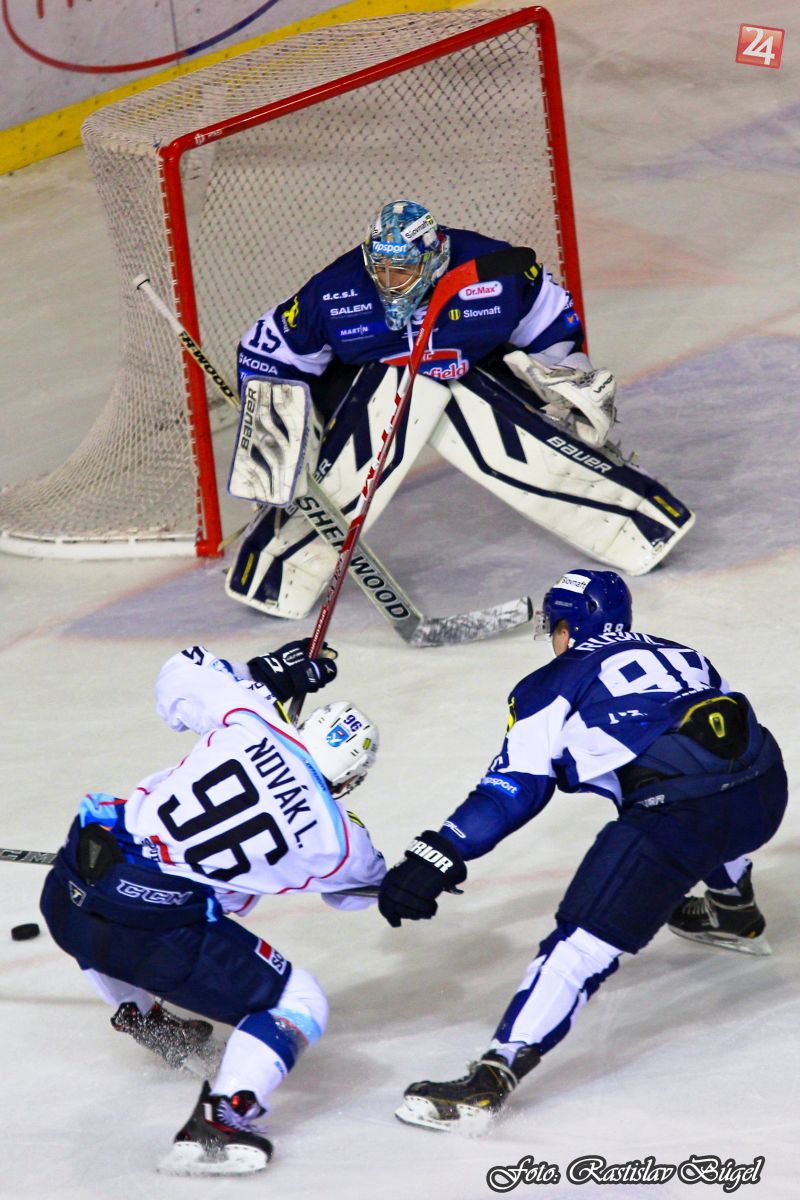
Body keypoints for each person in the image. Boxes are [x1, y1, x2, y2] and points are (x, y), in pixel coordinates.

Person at [376, 569, 787, 1134]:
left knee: (578, 946)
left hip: (683, 816)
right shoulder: (682, 652)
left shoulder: (551, 682)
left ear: (568, 627)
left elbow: (515, 789)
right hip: (767, 790)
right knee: (707, 782)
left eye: (555, 626)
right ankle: (735, 910)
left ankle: (488, 1082)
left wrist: (439, 852)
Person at [225, 201, 694, 620]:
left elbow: (553, 327)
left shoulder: (498, 271)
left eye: (401, 271)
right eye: (379, 269)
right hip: (357, 396)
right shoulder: (332, 292)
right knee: (399, 390)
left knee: (476, 409)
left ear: (433, 259)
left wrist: (569, 380)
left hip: (475, 378)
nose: (387, 282)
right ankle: (275, 568)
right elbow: (267, 353)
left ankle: (635, 524)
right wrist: (276, 434)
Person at [40, 638, 385, 1176]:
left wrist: (263, 675)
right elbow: (355, 893)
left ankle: (140, 1014)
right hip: (155, 936)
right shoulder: (338, 839)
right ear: (350, 777)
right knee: (299, 1000)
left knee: (114, 890)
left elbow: (178, 673)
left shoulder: (254, 717)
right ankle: (219, 1125)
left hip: (68, 896)